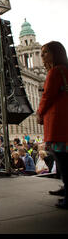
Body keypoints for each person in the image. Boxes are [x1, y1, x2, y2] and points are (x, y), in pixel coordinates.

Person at [37, 41, 68, 208]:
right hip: (64, 121)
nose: (42, 57)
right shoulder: (65, 70)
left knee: (62, 159)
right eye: (41, 54)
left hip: (57, 121)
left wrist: (39, 113)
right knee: (63, 159)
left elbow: (47, 96)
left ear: (56, 53)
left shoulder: (55, 72)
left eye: (45, 53)